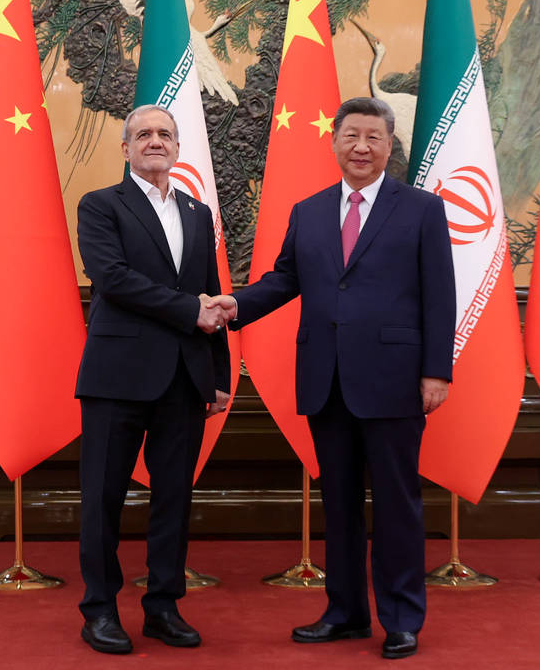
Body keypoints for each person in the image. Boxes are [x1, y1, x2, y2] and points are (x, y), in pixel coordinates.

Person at [207, 96, 456, 660]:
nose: (361, 147)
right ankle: (344, 613)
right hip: (326, 379)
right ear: (335, 141)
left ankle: (401, 618)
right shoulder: (310, 211)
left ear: (389, 145)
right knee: (339, 505)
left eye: (373, 137)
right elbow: (284, 279)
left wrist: (436, 371)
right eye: (351, 136)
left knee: (396, 504)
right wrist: (236, 304)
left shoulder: (422, 209)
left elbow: (440, 295)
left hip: (395, 380)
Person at [74, 104, 231, 655]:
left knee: (173, 501)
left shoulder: (197, 212)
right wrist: (190, 311)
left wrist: (218, 374)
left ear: (178, 147)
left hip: (185, 380)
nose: (155, 141)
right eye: (143, 134)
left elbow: (210, 292)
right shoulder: (100, 205)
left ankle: (163, 607)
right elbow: (113, 279)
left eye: (165, 133)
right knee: (103, 500)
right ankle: (99, 610)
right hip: (116, 377)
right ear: (126, 149)